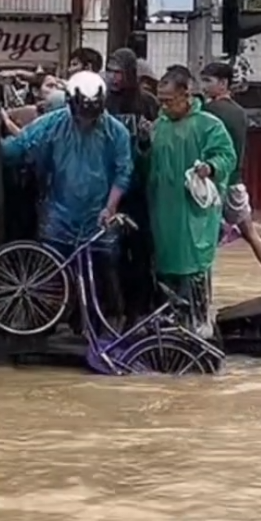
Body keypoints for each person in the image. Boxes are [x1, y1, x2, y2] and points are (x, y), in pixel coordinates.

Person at [0, 71, 133, 323]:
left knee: (104, 276)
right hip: (60, 214)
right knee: (53, 274)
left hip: (99, 215)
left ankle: (102, 325)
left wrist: (110, 207)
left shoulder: (116, 132)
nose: (86, 121)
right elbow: (19, 147)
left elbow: (123, 172)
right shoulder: (52, 124)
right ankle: (48, 324)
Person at [141, 67, 236, 336]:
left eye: (169, 100)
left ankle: (198, 327)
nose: (164, 106)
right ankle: (170, 327)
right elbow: (147, 165)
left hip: (194, 213)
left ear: (186, 94)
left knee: (193, 266)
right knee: (164, 266)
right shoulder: (158, 127)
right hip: (162, 209)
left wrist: (211, 167)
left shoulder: (209, 125)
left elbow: (227, 156)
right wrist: (143, 144)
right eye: (160, 100)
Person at [199, 61, 261, 295]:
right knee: (251, 234)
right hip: (235, 184)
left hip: (211, 185)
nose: (203, 86)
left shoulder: (208, 112)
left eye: (208, 81)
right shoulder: (240, 113)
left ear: (223, 83)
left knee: (203, 242)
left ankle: (204, 295)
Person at [105, 48, 160, 324]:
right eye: (110, 71)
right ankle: (111, 310)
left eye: (119, 72)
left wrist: (148, 139)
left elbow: (159, 145)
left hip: (139, 188)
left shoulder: (147, 103)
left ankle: (138, 312)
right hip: (108, 188)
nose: (114, 77)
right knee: (108, 253)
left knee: (140, 252)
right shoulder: (102, 101)